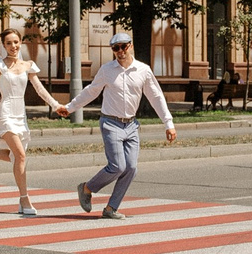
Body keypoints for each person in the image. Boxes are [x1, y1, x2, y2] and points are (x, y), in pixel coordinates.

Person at [63, 29, 178, 218]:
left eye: (123, 47)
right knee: (117, 166)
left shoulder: (143, 70)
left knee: (131, 168)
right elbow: (91, 91)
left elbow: (156, 96)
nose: (120, 51)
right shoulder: (107, 70)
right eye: (116, 48)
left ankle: (111, 208)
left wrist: (169, 123)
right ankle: (86, 188)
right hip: (111, 123)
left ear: (130, 46)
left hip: (131, 126)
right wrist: (70, 108)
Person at [0, 27, 64, 216]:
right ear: (3, 45)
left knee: (15, 157)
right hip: (5, 113)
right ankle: (24, 200)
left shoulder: (27, 65)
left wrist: (56, 106)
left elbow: (40, 90)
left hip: (20, 115)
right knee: (21, 156)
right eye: (8, 43)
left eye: (16, 42)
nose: (13, 46)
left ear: (20, 42)